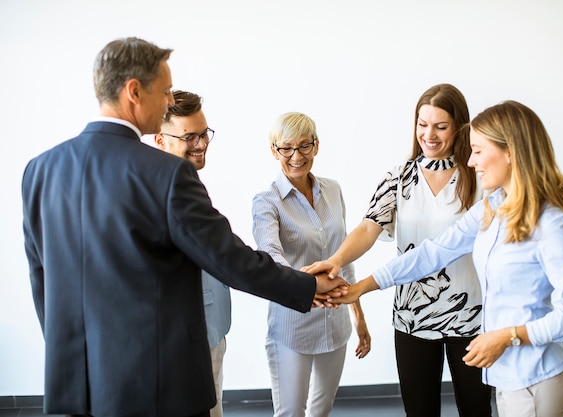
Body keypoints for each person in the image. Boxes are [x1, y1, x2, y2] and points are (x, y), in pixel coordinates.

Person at [21, 37, 347, 417]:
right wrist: (309, 286)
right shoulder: (167, 173)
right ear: (134, 92)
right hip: (160, 383)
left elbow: (41, 278)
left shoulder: (40, 170)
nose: (166, 102)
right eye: (164, 91)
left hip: (78, 381)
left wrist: (68, 352)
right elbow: (229, 259)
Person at [314, 100, 563, 417]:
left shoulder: (550, 223)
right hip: (507, 377)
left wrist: (507, 337)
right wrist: (360, 288)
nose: (472, 161)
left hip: (537, 377)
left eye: (478, 150)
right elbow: (433, 253)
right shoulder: (492, 207)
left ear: (511, 151)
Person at [304, 84, 492, 417]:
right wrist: (335, 261)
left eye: (440, 126)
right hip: (412, 315)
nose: (428, 135)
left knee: (476, 409)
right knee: (420, 411)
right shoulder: (400, 177)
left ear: (460, 127)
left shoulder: (480, 177)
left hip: (471, 315)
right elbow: (367, 228)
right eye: (422, 124)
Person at [252, 112, 371, 417]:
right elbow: (271, 260)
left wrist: (358, 317)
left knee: (322, 410)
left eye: (304, 146)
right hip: (293, 325)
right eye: (286, 148)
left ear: (316, 146)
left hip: (334, 323)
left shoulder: (332, 190)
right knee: (292, 413)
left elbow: (342, 256)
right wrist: (308, 289)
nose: (296, 156)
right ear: (273, 151)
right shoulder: (267, 201)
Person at [154, 90, 231, 417]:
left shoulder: (188, 183)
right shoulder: (160, 190)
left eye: (204, 134)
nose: (200, 143)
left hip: (211, 327)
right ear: (160, 140)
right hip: (187, 336)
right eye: (190, 137)